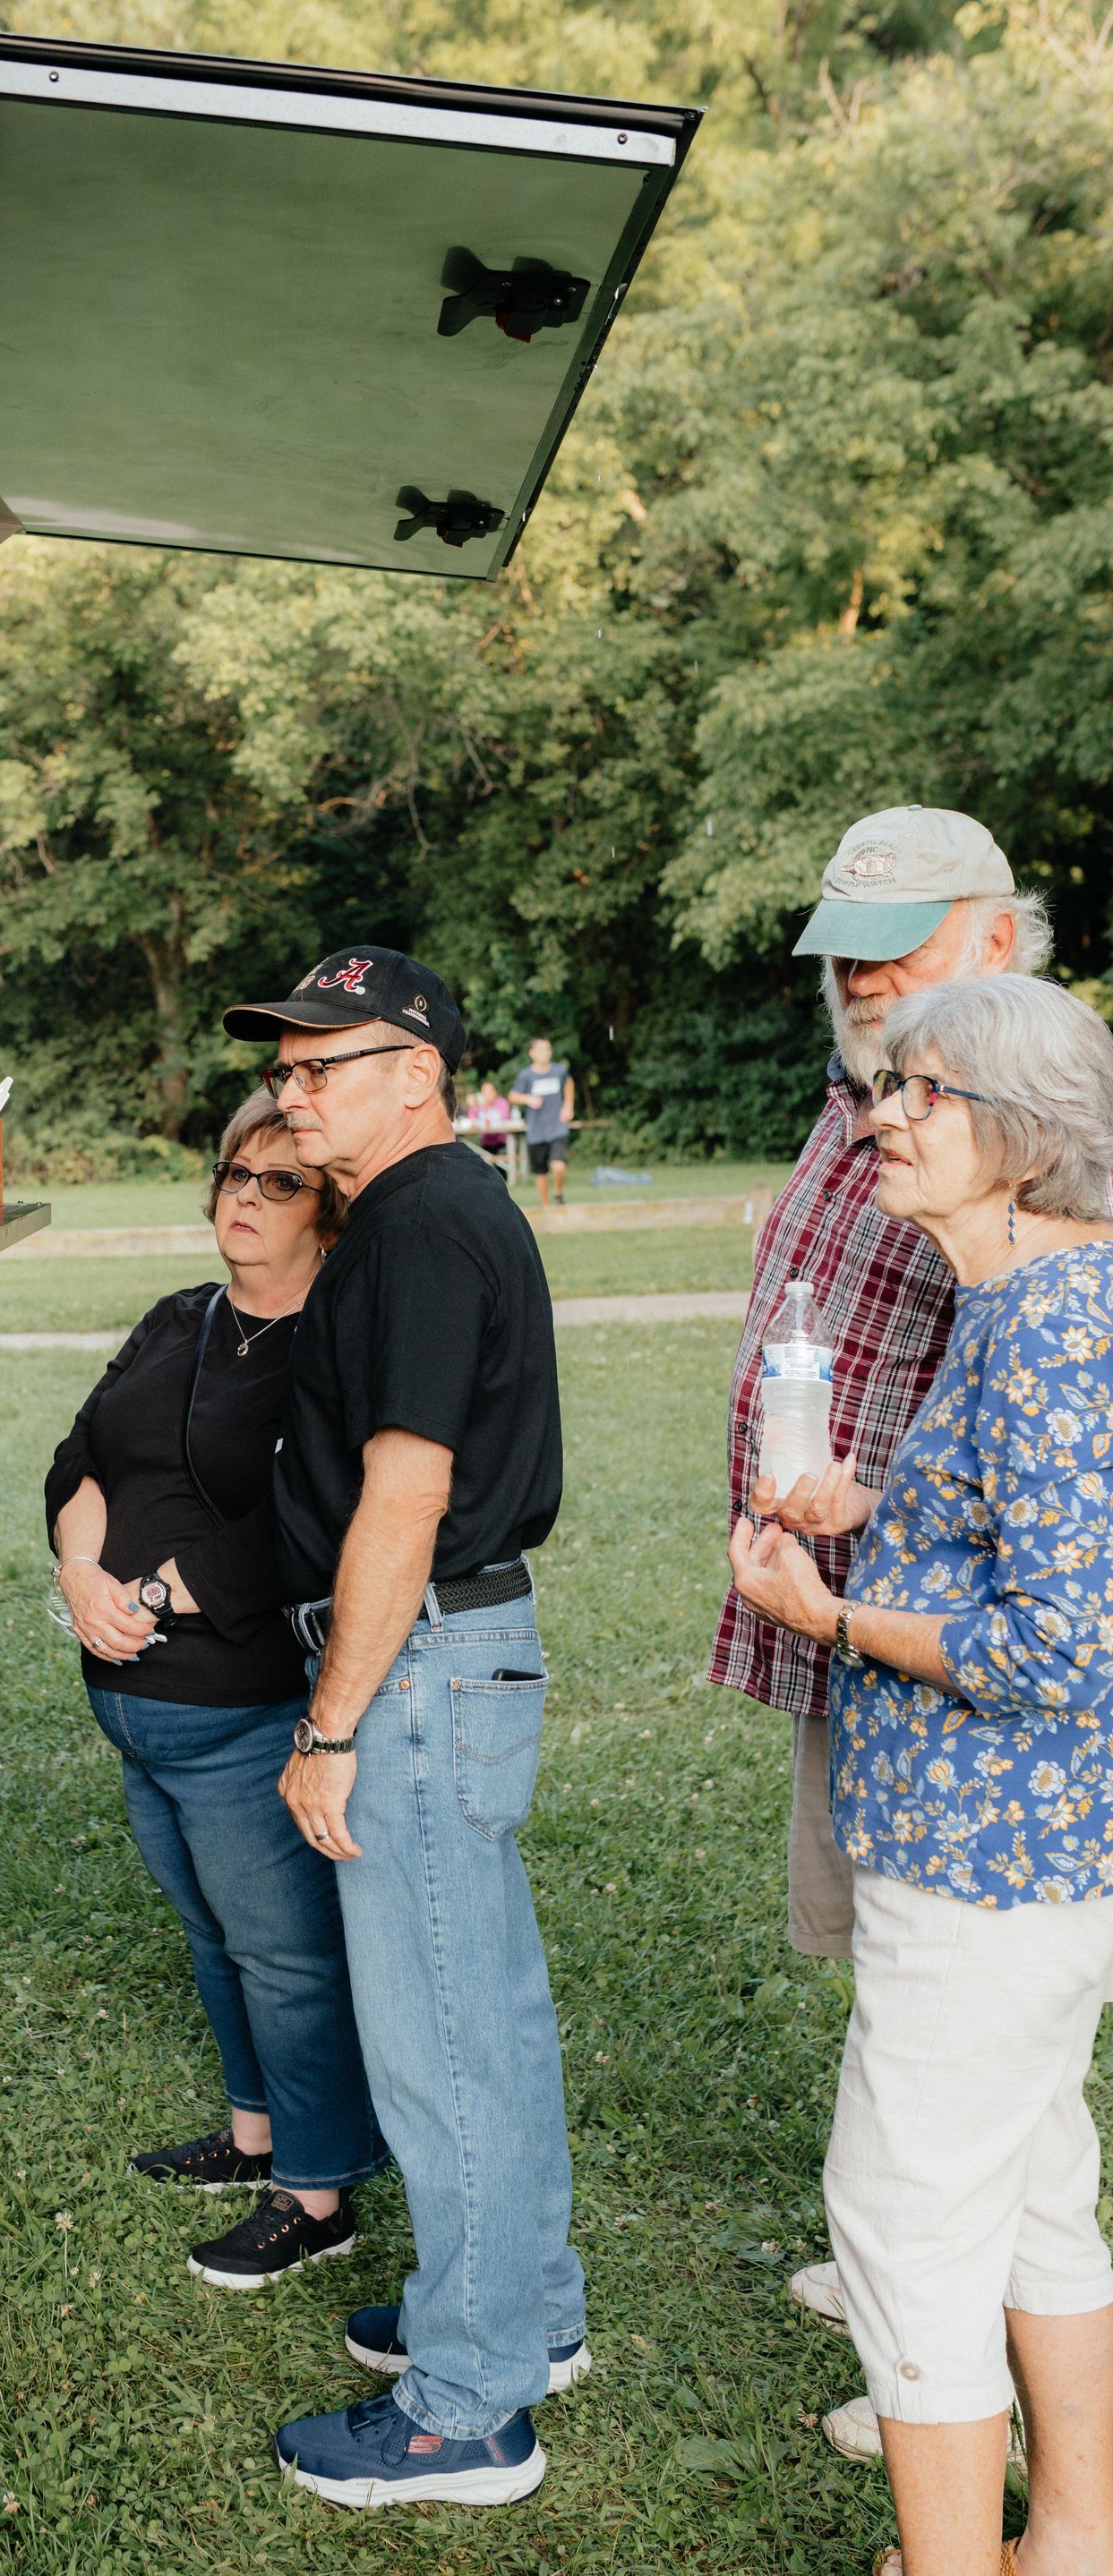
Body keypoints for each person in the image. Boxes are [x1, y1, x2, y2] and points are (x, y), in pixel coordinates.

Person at [729, 974, 1113, 2576]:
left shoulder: (1052, 1321)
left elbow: (1057, 1640)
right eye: (889, 1087)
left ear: (1023, 1137)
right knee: (1034, 2197)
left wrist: (832, 1612)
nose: (882, 1115)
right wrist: (880, 1505)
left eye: (924, 1092)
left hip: (987, 1873)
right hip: (1023, 1872)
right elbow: (1034, 1534)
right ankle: (1075, 2539)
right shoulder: (1034, 1302)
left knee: (904, 2224)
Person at [217, 945, 586, 2511]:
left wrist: (331, 1721)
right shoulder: (413, 1216)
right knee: (481, 2011)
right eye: (284, 1066)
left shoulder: (429, 1220)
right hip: (450, 1655)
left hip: (420, 1665)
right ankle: (521, 2311)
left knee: (443, 2042)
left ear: (422, 1070)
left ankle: (470, 2407)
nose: (294, 1089)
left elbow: (409, 1491)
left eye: (326, 1062)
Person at [706, 806, 1050, 2453]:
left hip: (942, 1644)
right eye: (844, 945)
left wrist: (861, 1583)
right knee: (905, 1969)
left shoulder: (1031, 1110)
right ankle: (918, 2249)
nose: (859, 975)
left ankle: (933, 2283)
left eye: (899, 936)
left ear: (996, 930)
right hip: (854, 1611)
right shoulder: (870, 1086)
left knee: (961, 1993)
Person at [44, 1092, 384, 2288]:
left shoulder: (333, 1346)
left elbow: (309, 1524)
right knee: (212, 1934)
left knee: (286, 1953)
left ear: (330, 1211)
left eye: (277, 1181)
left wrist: (148, 1601)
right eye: (232, 1174)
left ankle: (320, 2187)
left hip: (240, 1706)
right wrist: (82, 1569)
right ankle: (255, 2137)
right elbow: (80, 1454)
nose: (242, 1196)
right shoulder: (176, 1317)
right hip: (138, 1714)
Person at [509, 1036, 574, 1206]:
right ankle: (546, 1206)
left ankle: (558, 1193)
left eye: (548, 1049)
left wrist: (568, 1106)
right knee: (541, 1172)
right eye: (541, 1049)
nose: (545, 1053)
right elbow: (513, 1096)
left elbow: (569, 1083)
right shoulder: (526, 1076)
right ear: (532, 1053)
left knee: (559, 1166)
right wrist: (528, 1099)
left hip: (557, 1128)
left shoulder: (559, 1071)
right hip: (536, 1131)